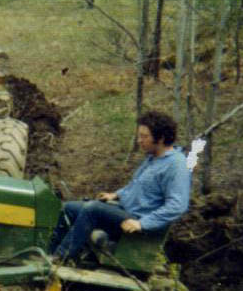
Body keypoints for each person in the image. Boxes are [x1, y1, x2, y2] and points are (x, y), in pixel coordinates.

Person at [49, 111, 191, 261]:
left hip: (136, 220)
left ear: (161, 138)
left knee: (93, 209)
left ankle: (60, 258)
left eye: (144, 136)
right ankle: (49, 253)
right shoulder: (153, 158)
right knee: (69, 208)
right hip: (123, 211)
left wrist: (142, 223)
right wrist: (117, 195)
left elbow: (178, 205)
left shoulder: (177, 166)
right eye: (139, 136)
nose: (139, 140)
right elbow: (137, 186)